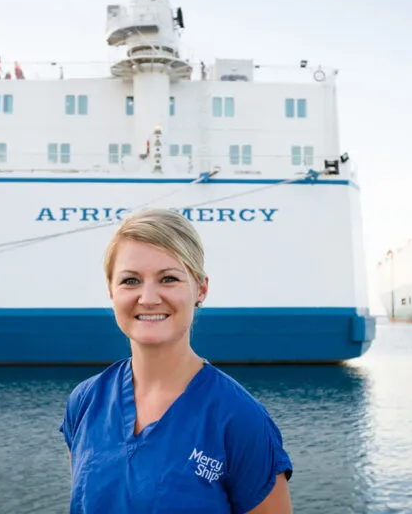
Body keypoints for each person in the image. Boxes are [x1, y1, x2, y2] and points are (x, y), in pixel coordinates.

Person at [59, 208, 293, 513]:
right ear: (111, 292)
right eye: (130, 281)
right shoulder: (86, 402)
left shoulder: (239, 419)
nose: (149, 297)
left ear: (201, 288)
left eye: (168, 278)